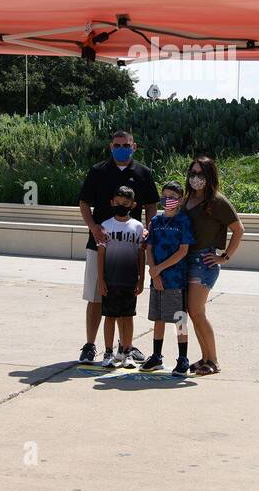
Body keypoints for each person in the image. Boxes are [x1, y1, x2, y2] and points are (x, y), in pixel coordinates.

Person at [78, 130, 158, 365]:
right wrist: (92, 226)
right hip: (99, 245)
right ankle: (91, 345)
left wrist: (148, 230)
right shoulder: (98, 171)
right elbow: (83, 202)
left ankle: (127, 347)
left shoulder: (144, 173)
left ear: (134, 146)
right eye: (117, 144)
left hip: (131, 249)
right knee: (95, 297)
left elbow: (152, 205)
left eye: (126, 144)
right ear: (110, 146)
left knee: (126, 300)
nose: (121, 147)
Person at [182, 157, 244, 376]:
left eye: (201, 174)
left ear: (210, 177)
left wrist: (224, 256)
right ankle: (205, 357)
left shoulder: (217, 201)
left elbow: (238, 230)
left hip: (204, 262)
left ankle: (214, 360)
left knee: (196, 311)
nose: (196, 178)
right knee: (193, 312)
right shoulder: (186, 199)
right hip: (185, 260)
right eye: (193, 173)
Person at [141, 180, 195, 376]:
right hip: (157, 280)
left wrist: (160, 269)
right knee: (158, 318)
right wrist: (154, 271)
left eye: (172, 197)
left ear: (179, 200)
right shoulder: (156, 221)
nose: (167, 200)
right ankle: (156, 356)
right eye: (164, 196)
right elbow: (149, 248)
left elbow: (183, 251)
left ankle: (183, 358)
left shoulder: (183, 221)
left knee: (179, 319)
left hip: (176, 279)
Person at [96, 186, 146, 368]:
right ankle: (108, 352)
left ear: (133, 205)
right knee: (109, 316)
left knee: (128, 317)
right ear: (112, 202)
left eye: (125, 204)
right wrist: (100, 279)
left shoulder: (138, 227)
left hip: (129, 280)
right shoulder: (105, 226)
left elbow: (141, 254)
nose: (121, 206)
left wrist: (141, 279)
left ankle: (126, 352)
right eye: (117, 203)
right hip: (110, 280)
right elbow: (100, 254)